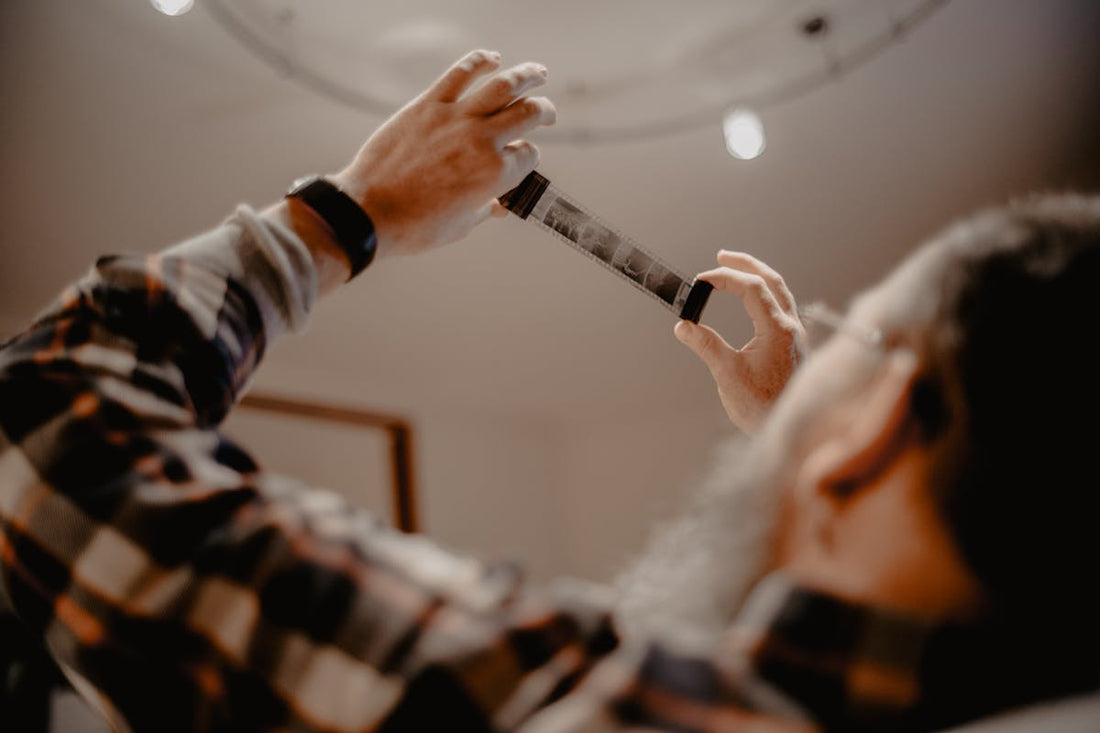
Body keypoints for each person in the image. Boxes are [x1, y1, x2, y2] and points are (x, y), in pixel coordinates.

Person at [0, 48, 1097, 732]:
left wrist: (346, 214)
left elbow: (45, 423)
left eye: (850, 338)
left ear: (876, 427)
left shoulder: (601, 702)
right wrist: (796, 463)